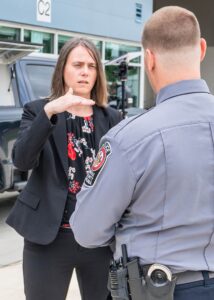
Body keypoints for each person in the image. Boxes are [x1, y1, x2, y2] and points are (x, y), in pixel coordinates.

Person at [70, 6, 214, 300]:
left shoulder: (130, 139)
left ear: (149, 59)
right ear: (201, 49)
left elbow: (87, 231)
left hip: (161, 288)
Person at [6, 37, 122, 300]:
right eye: (78, 64)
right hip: (49, 237)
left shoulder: (111, 117)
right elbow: (22, 161)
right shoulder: (38, 111)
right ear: (63, 69)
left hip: (98, 239)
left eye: (91, 66)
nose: (85, 71)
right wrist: (49, 113)